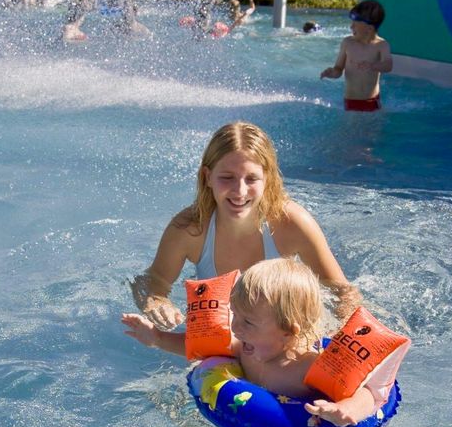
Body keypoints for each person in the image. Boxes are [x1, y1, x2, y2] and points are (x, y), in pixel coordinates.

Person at [123, 258, 375, 427]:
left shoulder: (310, 366)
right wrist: (158, 338)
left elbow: (367, 391)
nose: (235, 327)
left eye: (248, 322)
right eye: (235, 314)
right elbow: (200, 347)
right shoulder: (246, 347)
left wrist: (346, 409)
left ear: (288, 332)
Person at [130, 121, 362, 332]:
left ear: (267, 179)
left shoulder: (291, 224)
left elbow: (344, 293)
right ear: (207, 177)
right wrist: (157, 303)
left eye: (251, 179)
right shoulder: (190, 230)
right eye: (227, 177)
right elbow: (152, 282)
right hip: (223, 331)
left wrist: (333, 336)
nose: (240, 191)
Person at [320, 0, 392, 112]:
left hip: (372, 102)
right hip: (351, 102)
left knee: (371, 129)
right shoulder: (347, 43)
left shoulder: (381, 45)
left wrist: (373, 66)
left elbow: (388, 65)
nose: (351, 27)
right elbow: (339, 68)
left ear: (369, 28)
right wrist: (333, 73)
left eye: (355, 24)